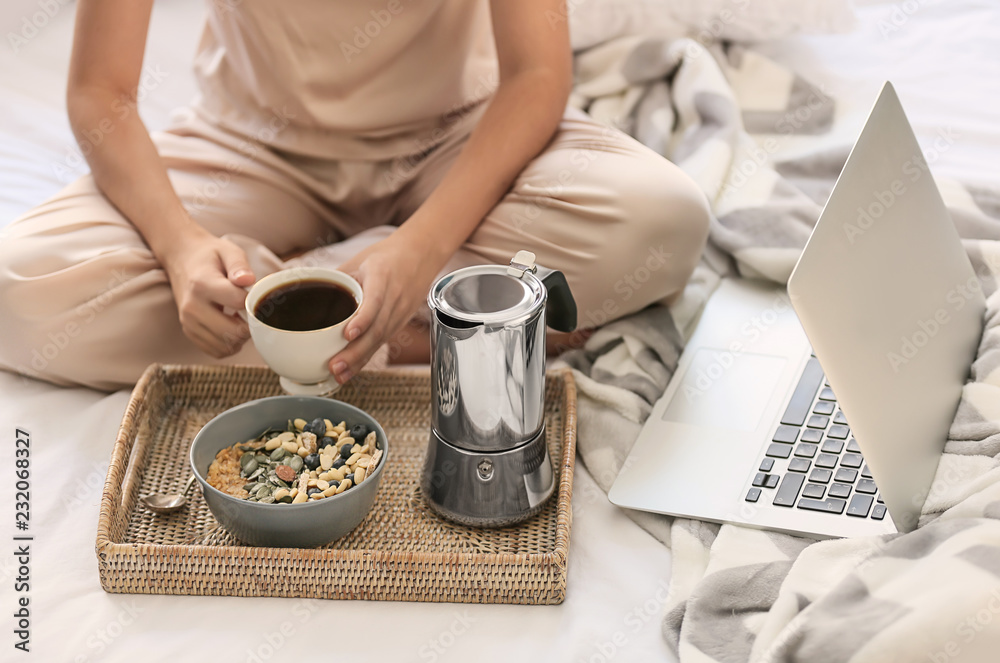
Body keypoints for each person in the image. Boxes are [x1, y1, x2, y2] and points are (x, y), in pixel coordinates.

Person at [0, 0, 711, 391]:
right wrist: (181, 247)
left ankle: (304, 300)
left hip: (458, 134)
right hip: (250, 145)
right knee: (20, 290)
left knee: (660, 219)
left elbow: (535, 74)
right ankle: (428, 324)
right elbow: (101, 89)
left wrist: (421, 243)